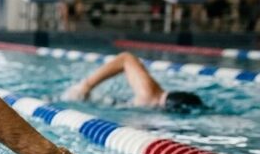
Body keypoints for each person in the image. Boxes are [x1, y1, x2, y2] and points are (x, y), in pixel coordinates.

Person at [63, 52, 206, 113]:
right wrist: (86, 86)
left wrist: (86, 87)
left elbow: (126, 58)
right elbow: (125, 58)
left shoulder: (149, 95)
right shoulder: (149, 95)